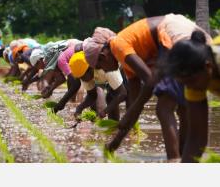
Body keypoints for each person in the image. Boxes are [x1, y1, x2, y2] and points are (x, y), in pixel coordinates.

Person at [84, 16, 211, 160]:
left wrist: (131, 113)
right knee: (181, 107)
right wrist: (116, 142)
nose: (105, 71)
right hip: (184, 33)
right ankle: (183, 156)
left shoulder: (117, 45)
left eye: (100, 67)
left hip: (173, 34)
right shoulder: (127, 62)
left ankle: (173, 159)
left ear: (103, 55)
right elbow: (134, 101)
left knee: (164, 107)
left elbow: (150, 80)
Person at [164, 31, 220, 162]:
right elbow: (196, 138)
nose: (190, 88)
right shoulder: (193, 82)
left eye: (191, 82)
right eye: (185, 84)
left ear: (208, 67)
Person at [68, 49, 127, 121]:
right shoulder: (85, 72)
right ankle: (113, 127)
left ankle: (122, 126)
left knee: (112, 97)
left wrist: (105, 111)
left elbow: (122, 93)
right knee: (110, 98)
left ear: (90, 69)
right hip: (106, 73)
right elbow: (92, 95)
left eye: (83, 77)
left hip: (124, 65)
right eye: (80, 78)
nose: (82, 80)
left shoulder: (106, 67)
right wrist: (80, 108)